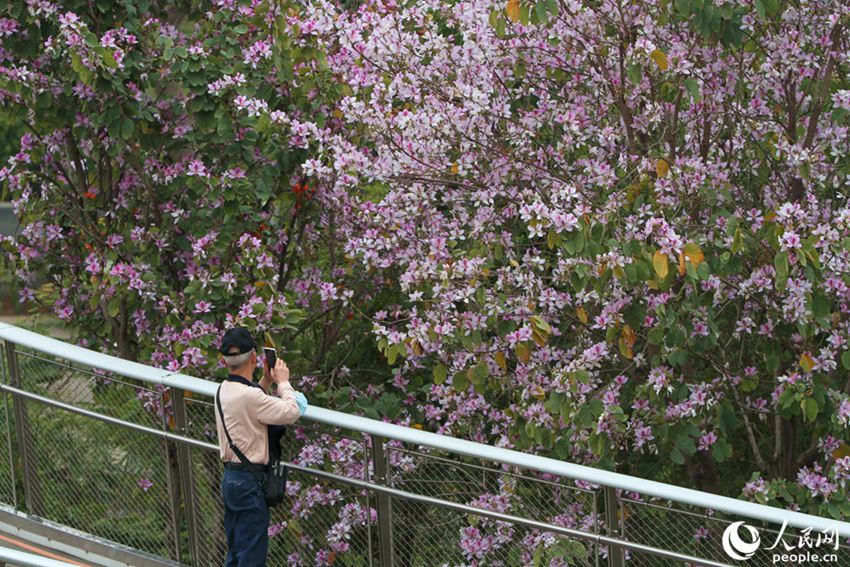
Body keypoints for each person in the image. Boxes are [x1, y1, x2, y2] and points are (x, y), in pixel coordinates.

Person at [215, 327, 306, 567]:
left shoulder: (223, 389)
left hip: (232, 480)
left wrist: (265, 381)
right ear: (254, 358)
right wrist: (283, 382)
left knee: (236, 552)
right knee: (251, 558)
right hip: (249, 483)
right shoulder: (249, 396)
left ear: (224, 360)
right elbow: (291, 411)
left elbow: (251, 403)